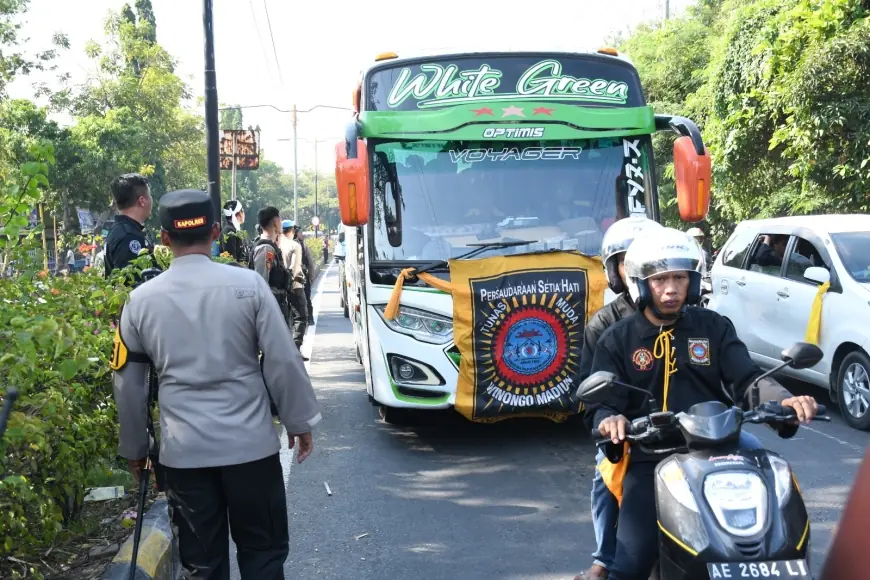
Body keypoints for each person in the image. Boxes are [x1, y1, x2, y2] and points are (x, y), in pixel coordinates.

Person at [582, 227, 820, 580]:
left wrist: (786, 400)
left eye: (679, 277)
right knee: (630, 564)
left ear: (692, 282)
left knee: (779, 530)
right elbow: (600, 403)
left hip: (721, 448)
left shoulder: (713, 327)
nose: (671, 289)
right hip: (651, 456)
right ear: (640, 283)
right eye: (660, 279)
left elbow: (748, 379)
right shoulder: (618, 338)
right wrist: (609, 419)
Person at [111, 189, 320, 580]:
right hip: (251, 450)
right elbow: (282, 360)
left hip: (184, 456)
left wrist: (135, 449)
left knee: (202, 566)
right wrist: (299, 421)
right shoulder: (249, 287)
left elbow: (128, 384)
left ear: (164, 239)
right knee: (263, 556)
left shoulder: (139, 302)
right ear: (214, 231)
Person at [574, 216, 664, 580]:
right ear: (615, 269)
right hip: (630, 432)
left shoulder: (699, 320)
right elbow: (590, 390)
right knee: (606, 474)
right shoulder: (605, 324)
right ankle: (604, 559)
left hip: (690, 427)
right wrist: (610, 419)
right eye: (629, 261)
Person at [104, 173, 155, 278]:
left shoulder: (121, 230)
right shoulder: (129, 236)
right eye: (150, 195)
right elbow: (130, 285)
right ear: (142, 201)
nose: (151, 199)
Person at [251, 207, 293, 332]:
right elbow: (261, 283)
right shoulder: (265, 249)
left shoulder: (272, 246)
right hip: (271, 311)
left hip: (277, 307)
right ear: (275, 222)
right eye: (280, 219)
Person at [279, 220, 309, 353]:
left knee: (283, 318)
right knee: (301, 316)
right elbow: (295, 268)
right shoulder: (295, 245)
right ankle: (295, 348)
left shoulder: (276, 244)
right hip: (295, 285)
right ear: (292, 230)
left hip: (279, 286)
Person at [297, 229, 316, 325]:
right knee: (306, 297)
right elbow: (310, 262)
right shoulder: (300, 245)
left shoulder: (302, 245)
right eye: (300, 232)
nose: (301, 234)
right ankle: (308, 318)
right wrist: (312, 276)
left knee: (304, 298)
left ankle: (307, 318)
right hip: (302, 275)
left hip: (300, 275)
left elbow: (310, 261)